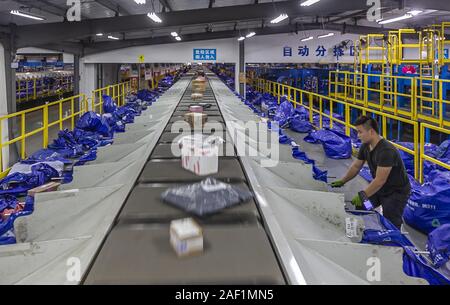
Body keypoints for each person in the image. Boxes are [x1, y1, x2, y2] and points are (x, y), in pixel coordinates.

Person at [330, 115, 411, 228]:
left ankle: (393, 241)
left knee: (390, 220)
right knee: (364, 205)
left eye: (360, 132)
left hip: (395, 192)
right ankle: (370, 217)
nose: (358, 135)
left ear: (371, 131)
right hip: (381, 188)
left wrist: (363, 194)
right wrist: (343, 181)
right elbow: (356, 166)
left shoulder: (386, 151)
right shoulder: (366, 146)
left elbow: (380, 180)